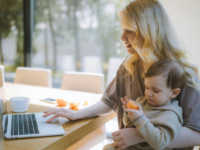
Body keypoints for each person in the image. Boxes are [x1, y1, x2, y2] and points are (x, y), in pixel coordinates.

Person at [43, 0, 200, 150]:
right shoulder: (129, 64)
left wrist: (141, 135)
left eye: (130, 31)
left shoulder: (184, 74)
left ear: (149, 31)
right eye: (122, 29)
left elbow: (196, 134)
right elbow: (109, 101)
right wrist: (76, 114)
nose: (122, 37)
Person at [103, 59, 185, 150]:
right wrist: (129, 114)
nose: (148, 93)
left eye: (155, 90)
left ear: (174, 93)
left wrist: (140, 118)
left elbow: (160, 143)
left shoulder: (170, 115)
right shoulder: (142, 101)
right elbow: (128, 125)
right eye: (147, 87)